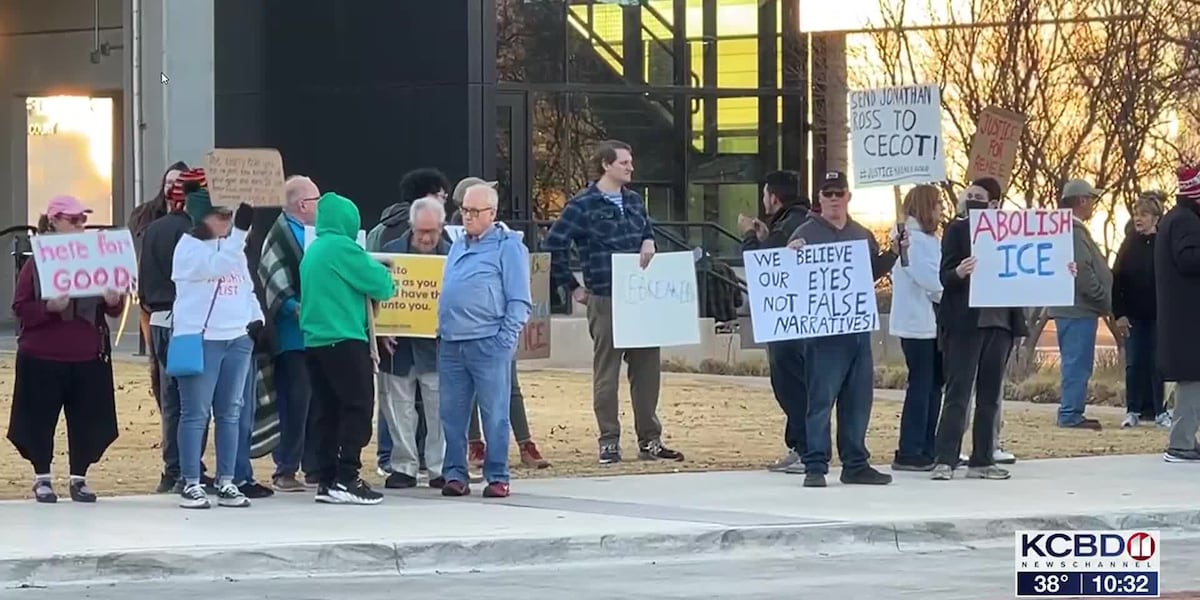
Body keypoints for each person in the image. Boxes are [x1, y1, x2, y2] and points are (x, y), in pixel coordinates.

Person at [542, 139, 684, 465]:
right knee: (607, 373)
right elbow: (554, 245)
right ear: (605, 165)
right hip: (605, 296)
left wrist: (649, 240)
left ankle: (650, 440)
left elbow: (646, 230)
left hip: (642, 299)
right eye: (623, 162)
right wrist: (572, 287)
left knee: (647, 372)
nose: (630, 167)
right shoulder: (582, 205)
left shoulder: (634, 201)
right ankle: (609, 440)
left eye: (630, 162)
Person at [785, 171, 899, 487]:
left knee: (858, 400)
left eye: (839, 192)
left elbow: (873, 272)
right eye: (828, 193)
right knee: (820, 401)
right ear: (819, 199)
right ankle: (815, 466)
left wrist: (892, 254)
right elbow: (788, 280)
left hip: (857, 331)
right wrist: (790, 256)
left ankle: (855, 464)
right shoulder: (804, 233)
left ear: (848, 196)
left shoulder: (862, 234)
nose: (834, 198)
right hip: (822, 335)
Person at [7, 196, 122, 503]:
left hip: (87, 354)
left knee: (89, 419)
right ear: (55, 221)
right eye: (73, 220)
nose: (80, 225)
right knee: (37, 419)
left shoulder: (96, 259)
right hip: (41, 355)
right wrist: (49, 308)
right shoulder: (37, 261)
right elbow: (20, 308)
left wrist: (114, 301)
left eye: (82, 220)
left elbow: (111, 309)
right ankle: (42, 477)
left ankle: (79, 477)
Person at [930, 185, 1031, 481]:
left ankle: (982, 459)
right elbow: (945, 275)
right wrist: (959, 273)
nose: (971, 202)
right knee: (958, 392)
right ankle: (945, 459)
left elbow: (1032, 269)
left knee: (990, 396)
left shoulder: (1013, 233)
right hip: (966, 324)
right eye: (968, 197)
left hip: (1000, 324)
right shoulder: (957, 231)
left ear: (994, 205)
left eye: (979, 199)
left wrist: (1063, 270)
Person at [301, 192, 397, 505]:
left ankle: (326, 478)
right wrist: (380, 270)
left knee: (327, 411)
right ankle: (347, 476)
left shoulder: (314, 250)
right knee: (357, 406)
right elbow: (382, 284)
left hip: (315, 341)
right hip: (344, 337)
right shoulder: (343, 248)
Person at [439, 184, 532, 498]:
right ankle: (455, 474)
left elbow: (519, 299)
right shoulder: (457, 245)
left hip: (488, 341)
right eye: (465, 210)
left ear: (492, 214)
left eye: (475, 212)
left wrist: (504, 340)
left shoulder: (508, 246)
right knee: (452, 414)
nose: (468, 217)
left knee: (495, 414)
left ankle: (497, 476)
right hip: (452, 342)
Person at [171, 191, 263, 509]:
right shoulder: (188, 249)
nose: (229, 223)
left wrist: (256, 320)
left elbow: (244, 285)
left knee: (230, 412)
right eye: (222, 217)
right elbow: (215, 268)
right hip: (201, 338)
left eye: (230, 216)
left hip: (236, 337)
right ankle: (191, 480)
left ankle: (227, 480)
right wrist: (239, 234)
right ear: (203, 218)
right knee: (196, 413)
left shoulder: (231, 246)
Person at [366, 168, 449, 476]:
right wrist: (381, 331)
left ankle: (439, 467)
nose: (426, 239)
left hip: (438, 348)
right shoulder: (388, 254)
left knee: (439, 409)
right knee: (397, 408)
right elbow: (374, 298)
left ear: (441, 227)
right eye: (420, 232)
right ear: (411, 226)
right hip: (397, 348)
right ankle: (403, 466)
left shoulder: (453, 256)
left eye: (432, 232)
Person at [138, 167, 214, 493]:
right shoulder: (196, 236)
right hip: (187, 320)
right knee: (194, 402)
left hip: (158, 320)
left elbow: (142, 284)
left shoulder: (152, 230)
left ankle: (172, 470)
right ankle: (188, 469)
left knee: (171, 401)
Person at [738, 170, 811, 473]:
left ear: (774, 197)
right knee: (799, 383)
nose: (764, 201)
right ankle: (805, 445)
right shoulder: (802, 221)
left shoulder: (789, 226)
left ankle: (804, 447)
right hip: (797, 317)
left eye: (766, 194)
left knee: (789, 384)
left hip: (787, 321)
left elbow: (762, 265)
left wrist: (749, 236)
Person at [259, 175, 321, 491]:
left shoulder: (316, 233)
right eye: (317, 201)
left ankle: (314, 465)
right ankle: (286, 468)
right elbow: (274, 282)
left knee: (316, 402)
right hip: (292, 336)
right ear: (302, 205)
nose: (320, 206)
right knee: (295, 401)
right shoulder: (280, 234)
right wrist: (296, 307)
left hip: (317, 335)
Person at [888, 184, 944, 472]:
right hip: (917, 324)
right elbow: (930, 279)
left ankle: (926, 445)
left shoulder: (927, 239)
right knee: (922, 386)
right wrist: (952, 291)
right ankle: (911, 449)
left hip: (928, 323)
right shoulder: (912, 240)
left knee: (933, 385)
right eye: (937, 205)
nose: (942, 210)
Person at [1050, 179, 1112, 430]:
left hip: (1073, 308)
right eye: (1091, 199)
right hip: (1078, 309)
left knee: (1075, 362)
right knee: (1077, 362)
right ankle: (1070, 414)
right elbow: (1082, 272)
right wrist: (1101, 297)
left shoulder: (1067, 230)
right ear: (1082, 200)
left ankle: (1071, 410)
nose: (1093, 205)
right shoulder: (1073, 233)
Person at [131, 162, 188, 414]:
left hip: (177, 299)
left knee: (173, 366)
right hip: (153, 295)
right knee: (156, 360)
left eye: (177, 182)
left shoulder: (191, 222)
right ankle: (168, 415)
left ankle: (173, 418)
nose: (171, 186)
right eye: (169, 181)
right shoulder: (145, 215)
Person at [1155, 165, 1200, 463]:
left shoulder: (1175, 218)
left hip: (1183, 316)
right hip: (1189, 317)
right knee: (1193, 380)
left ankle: (1184, 441)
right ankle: (1181, 444)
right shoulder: (1186, 222)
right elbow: (1188, 260)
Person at [1113, 193, 1168, 429]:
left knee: (1158, 363)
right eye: (1136, 214)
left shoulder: (1163, 243)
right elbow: (1117, 281)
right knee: (1134, 362)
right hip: (1133, 315)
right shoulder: (1128, 244)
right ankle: (1132, 410)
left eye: (1144, 214)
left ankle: (1160, 411)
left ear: (1155, 217)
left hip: (1160, 315)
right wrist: (1120, 314)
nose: (1139, 218)